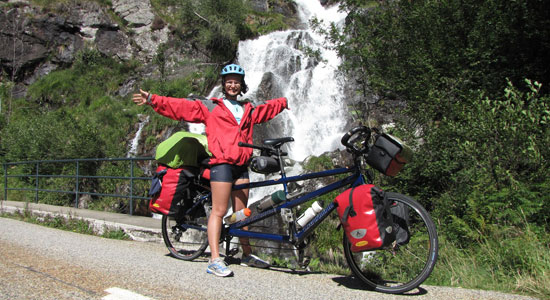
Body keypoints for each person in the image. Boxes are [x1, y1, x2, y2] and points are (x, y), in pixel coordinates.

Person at [132, 64, 288, 277]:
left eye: (236, 81)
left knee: (242, 215)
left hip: (241, 166)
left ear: (242, 85)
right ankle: (215, 259)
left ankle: (247, 254)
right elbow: (181, 107)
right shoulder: (211, 107)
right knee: (219, 211)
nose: (233, 85)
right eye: (229, 81)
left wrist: (283, 102)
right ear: (224, 84)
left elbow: (265, 110)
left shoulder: (247, 109)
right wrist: (153, 100)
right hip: (221, 165)